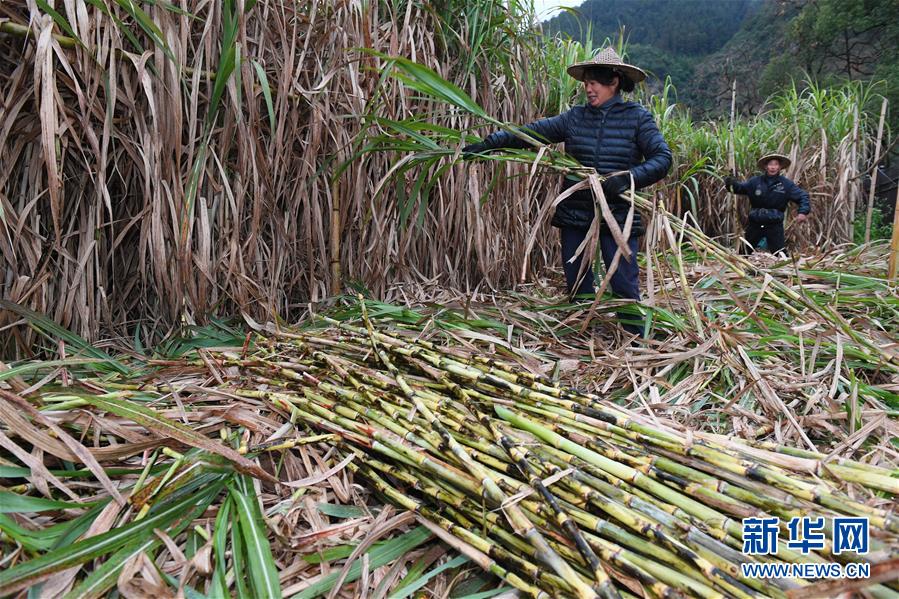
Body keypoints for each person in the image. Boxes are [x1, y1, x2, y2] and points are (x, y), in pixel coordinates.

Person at [461, 47, 672, 337]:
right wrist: (491, 144)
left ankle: (636, 337)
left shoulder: (637, 118)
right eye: (586, 81)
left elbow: (662, 158)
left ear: (614, 81)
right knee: (577, 279)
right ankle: (584, 334)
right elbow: (529, 133)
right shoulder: (574, 118)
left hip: (618, 213)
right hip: (577, 211)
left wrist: (628, 178)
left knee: (622, 279)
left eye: (594, 81)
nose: (588, 87)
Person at [725, 153, 810, 254]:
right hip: (756, 222)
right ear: (765, 166)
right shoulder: (755, 182)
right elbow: (739, 188)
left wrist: (803, 212)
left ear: (780, 167)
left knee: (779, 253)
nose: (773, 167)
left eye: (776, 164)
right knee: (744, 252)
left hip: (774, 223)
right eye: (770, 164)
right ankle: (742, 268)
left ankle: (781, 269)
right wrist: (730, 182)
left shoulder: (786, 185)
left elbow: (802, 196)